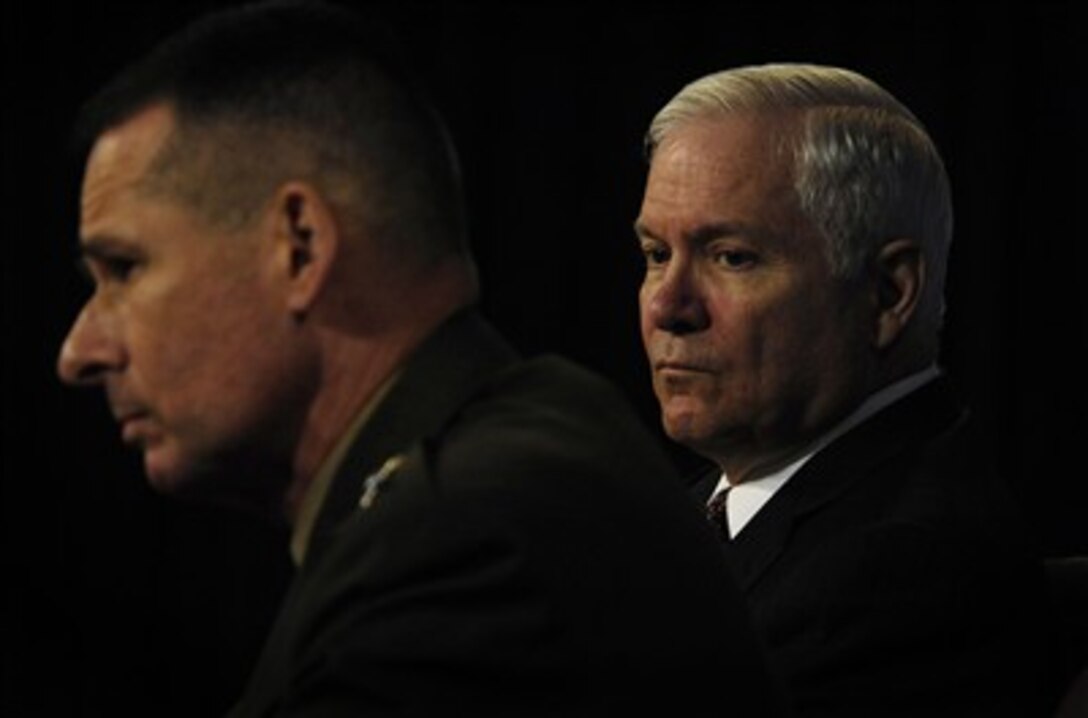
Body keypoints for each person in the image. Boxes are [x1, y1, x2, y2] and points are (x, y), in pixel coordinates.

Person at [55, 3, 784, 716]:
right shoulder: (518, 447)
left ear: (299, 245)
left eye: (124, 269)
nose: (79, 353)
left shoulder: (462, 539)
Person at [635, 63, 1058, 717]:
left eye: (732, 256)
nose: (668, 306)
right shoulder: (702, 511)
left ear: (888, 293)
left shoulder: (901, 576)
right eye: (657, 255)